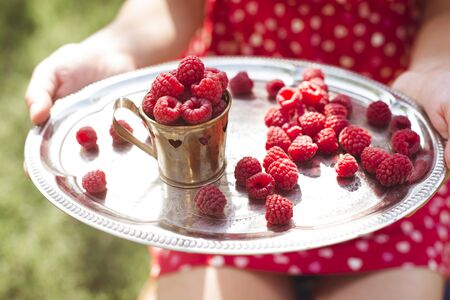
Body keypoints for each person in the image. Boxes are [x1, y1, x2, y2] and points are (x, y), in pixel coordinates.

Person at [25, 0, 450, 299]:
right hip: (227, 173)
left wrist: (435, 68)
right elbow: (172, 6)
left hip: (377, 157)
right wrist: (114, 48)